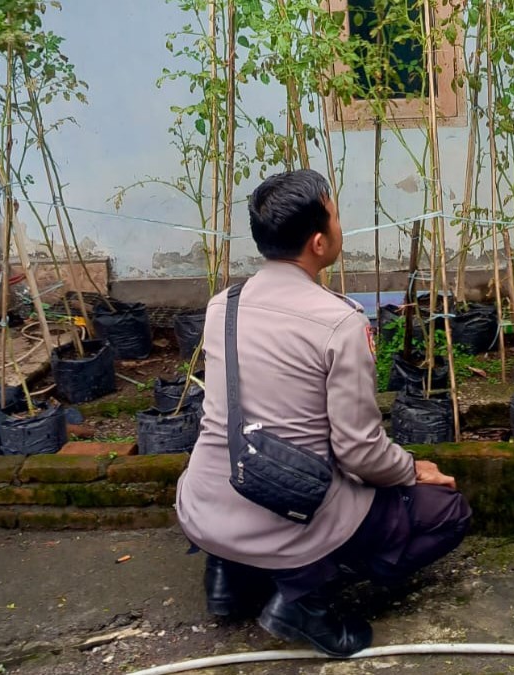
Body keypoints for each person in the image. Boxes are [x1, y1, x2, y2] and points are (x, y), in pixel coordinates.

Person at [176, 169, 471, 657]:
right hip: (290, 506)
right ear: (318, 242)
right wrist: (410, 469)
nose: (339, 226)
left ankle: (229, 576)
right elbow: (358, 452)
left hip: (206, 502)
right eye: (335, 217)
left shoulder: (221, 306)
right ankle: (306, 601)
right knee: (446, 512)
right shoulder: (339, 323)